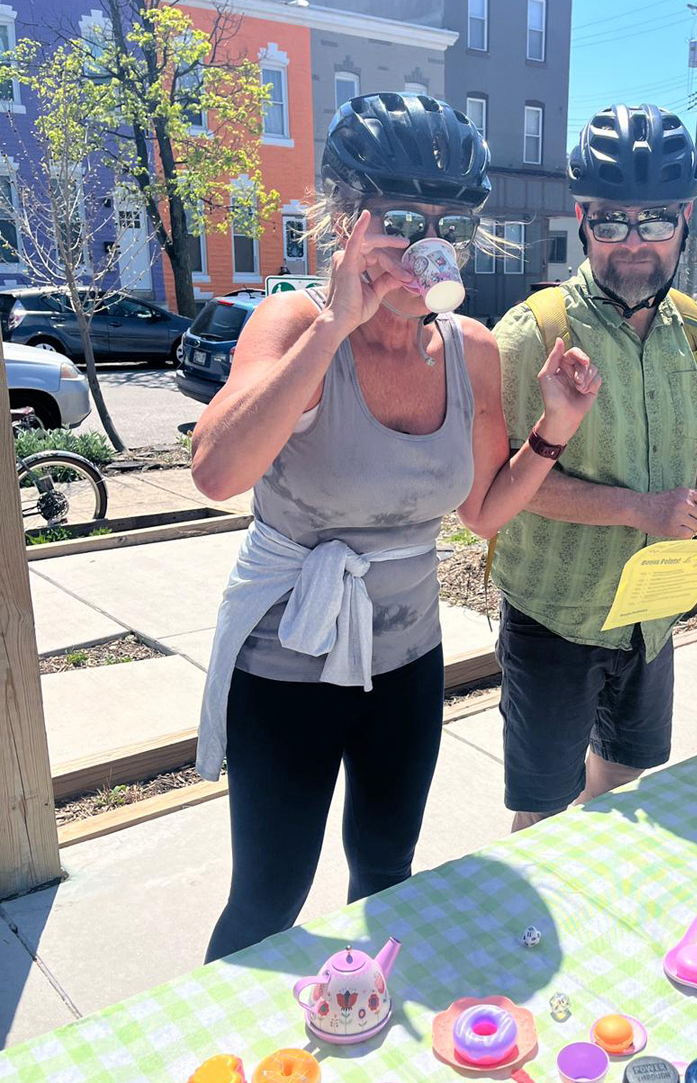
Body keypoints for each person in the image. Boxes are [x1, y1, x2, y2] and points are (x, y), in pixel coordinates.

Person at [191, 93, 600, 960]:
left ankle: (365, 1038)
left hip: (408, 661)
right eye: (403, 220)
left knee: (387, 873)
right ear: (347, 220)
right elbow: (217, 473)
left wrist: (556, 424)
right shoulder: (295, 322)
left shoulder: (471, 348)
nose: (426, 245)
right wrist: (339, 320)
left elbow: (483, 509)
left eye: (449, 224)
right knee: (268, 900)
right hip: (287, 663)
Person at [491, 103, 697, 830]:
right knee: (541, 812)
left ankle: (596, 867)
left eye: (655, 220)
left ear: (686, 218)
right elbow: (501, 494)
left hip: (653, 617)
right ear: (581, 218)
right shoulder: (531, 334)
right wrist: (640, 510)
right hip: (556, 617)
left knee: (627, 771)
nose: (633, 242)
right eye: (612, 221)